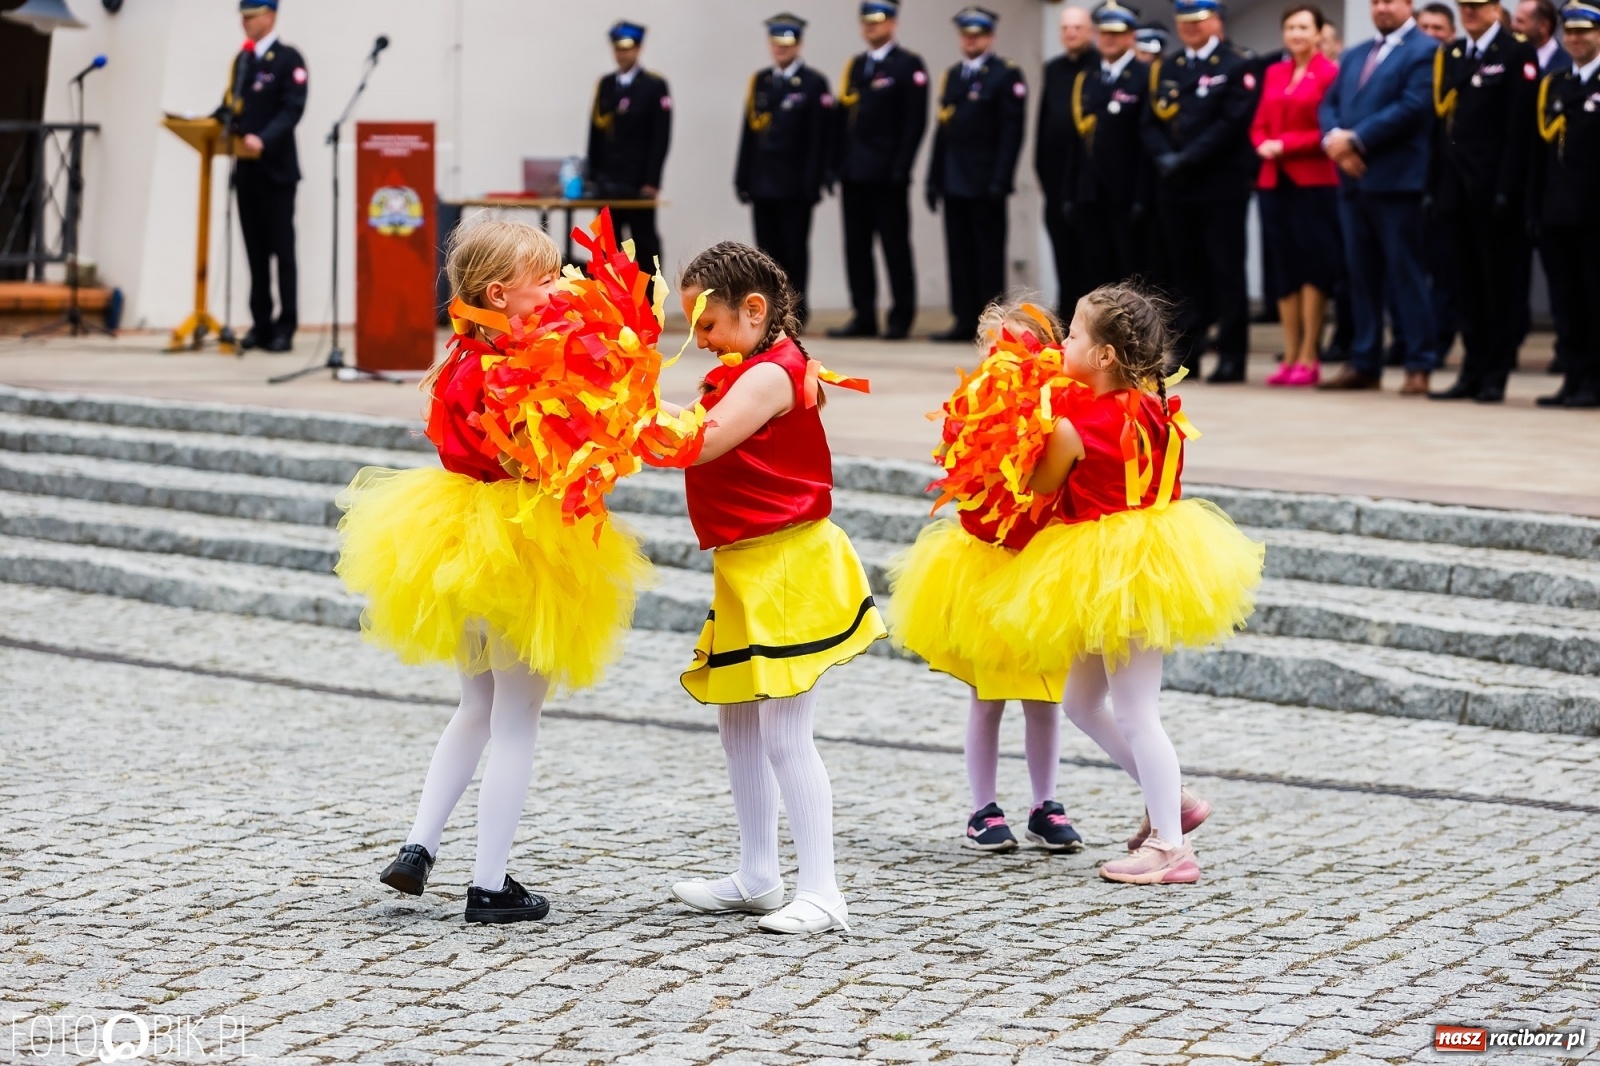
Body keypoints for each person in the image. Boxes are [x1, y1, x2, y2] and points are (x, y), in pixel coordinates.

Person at [345, 219, 657, 924]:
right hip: (522, 544)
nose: (560, 288)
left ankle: (419, 847)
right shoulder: (519, 376)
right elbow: (536, 461)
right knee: (517, 721)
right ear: (499, 293)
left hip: (455, 540)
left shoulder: (458, 362)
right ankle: (489, 885)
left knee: (475, 707)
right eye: (545, 279)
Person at [973, 284, 1260, 885]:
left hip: (1111, 568)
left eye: (1074, 334)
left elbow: (1042, 485)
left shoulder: (1074, 424)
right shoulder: (1160, 409)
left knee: (1136, 712)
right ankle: (1173, 803)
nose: (1064, 342)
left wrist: (1028, 427)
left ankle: (1171, 849)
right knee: (1081, 702)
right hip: (1157, 554)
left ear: (1103, 356)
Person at [656, 243, 885, 936]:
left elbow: (696, 442)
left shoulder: (770, 374)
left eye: (708, 325)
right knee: (739, 723)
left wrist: (620, 405)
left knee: (785, 733)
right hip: (750, 563)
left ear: (754, 310)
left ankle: (823, 890)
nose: (699, 342)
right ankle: (758, 875)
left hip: (787, 562)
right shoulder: (751, 367)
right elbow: (692, 430)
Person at [887, 302, 1083, 855]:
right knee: (987, 693)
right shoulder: (971, 409)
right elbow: (966, 486)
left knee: (1046, 695)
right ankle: (982, 808)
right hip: (985, 562)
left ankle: (1046, 803)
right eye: (1002, 347)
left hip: (1042, 565)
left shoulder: (1065, 408)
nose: (1013, 358)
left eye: (1027, 346)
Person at [1318, 0, 1440, 395]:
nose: (1382, 8)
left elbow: (1413, 107)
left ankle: (1419, 362)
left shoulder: (1425, 50)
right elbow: (1329, 104)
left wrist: (1356, 139)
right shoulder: (1355, 54)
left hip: (1396, 180)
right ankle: (1364, 360)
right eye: (1376, 2)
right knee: (1361, 276)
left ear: (1408, 5)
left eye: (1391, 1)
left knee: (1405, 274)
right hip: (1353, 183)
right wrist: (1335, 140)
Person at [1425, 0, 1539, 404]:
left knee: (1497, 284)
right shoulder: (1453, 53)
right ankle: (1471, 369)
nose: (1469, 13)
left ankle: (1495, 371)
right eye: (1464, 6)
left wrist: (1508, 187)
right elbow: (1442, 126)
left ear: (1495, 9)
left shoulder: (1515, 51)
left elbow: (1518, 127)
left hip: (1492, 191)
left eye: (1476, 6)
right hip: (1455, 190)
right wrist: (1435, 185)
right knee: (1464, 285)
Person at [1140, 0, 1260, 383]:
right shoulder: (1168, 67)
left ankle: (1231, 354)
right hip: (1175, 185)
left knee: (1225, 271)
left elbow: (1231, 122)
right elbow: (1149, 121)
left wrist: (1188, 157)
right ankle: (1187, 355)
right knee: (1183, 274)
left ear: (1216, 20)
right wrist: (1165, 158)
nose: (1190, 27)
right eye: (1184, 21)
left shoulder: (1237, 62)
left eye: (1199, 20)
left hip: (1219, 183)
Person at [1252, 4, 1342, 387]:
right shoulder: (1274, 71)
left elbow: (1328, 127)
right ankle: (1290, 353)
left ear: (1319, 32)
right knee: (1284, 267)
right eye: (1290, 27)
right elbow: (1257, 123)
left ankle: (1310, 352)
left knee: (1313, 266)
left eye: (1304, 27)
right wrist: (1262, 144)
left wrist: (1283, 144)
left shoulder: (1330, 73)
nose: (1297, 34)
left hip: (1314, 179)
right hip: (1274, 179)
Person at [928, 6, 1028, 343]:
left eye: (979, 34)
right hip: (954, 180)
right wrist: (933, 176)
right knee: (959, 254)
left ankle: (992, 324)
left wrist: (1002, 177)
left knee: (987, 255)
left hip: (986, 182)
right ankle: (962, 319)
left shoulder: (1005, 75)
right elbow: (943, 131)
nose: (972, 40)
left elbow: (1010, 133)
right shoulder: (955, 75)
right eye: (967, 34)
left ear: (990, 37)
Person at [831, 0, 929, 340]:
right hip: (855, 173)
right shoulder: (857, 66)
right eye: (866, 21)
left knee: (894, 247)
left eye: (879, 20)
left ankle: (901, 317)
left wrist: (901, 167)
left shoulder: (907, 65)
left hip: (888, 174)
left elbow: (913, 123)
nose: (871, 27)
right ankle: (864, 315)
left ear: (893, 23)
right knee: (856, 248)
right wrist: (837, 165)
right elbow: (843, 120)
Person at [218, 0, 306, 353]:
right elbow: (230, 105)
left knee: (282, 253)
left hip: (277, 172)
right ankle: (261, 323)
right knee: (255, 253)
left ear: (269, 16)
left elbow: (292, 108)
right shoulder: (243, 61)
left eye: (251, 16)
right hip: (247, 172)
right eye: (243, 16)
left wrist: (263, 138)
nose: (245, 22)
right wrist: (205, 122)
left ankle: (286, 326)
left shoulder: (289, 59)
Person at [736, 14, 835, 326]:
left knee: (794, 252)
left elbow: (820, 138)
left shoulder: (812, 83)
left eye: (787, 43)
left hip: (795, 185)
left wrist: (814, 180)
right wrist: (742, 175)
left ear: (798, 44)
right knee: (765, 255)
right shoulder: (761, 82)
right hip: (763, 182)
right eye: (776, 42)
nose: (780, 48)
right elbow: (749, 134)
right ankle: (770, 313)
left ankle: (796, 312)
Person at [1531, 1, 1600, 408]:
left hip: (1594, 214)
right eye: (1569, 33)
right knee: (1565, 300)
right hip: (1558, 212)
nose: (1575, 39)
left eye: (1584, 32)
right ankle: (1573, 377)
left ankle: (1594, 379)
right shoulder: (1554, 84)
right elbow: (1540, 154)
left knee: (1594, 298)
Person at [1075, 2, 1155, 292]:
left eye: (1116, 33)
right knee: (1096, 270)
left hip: (1129, 190)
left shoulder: (1145, 75)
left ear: (1131, 36)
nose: (1108, 39)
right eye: (1104, 32)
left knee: (1132, 272)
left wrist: (1143, 196)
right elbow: (1079, 138)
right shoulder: (1089, 77)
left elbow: (1147, 141)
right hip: (1093, 192)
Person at [1511, 0, 1572, 366]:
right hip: (1521, 187)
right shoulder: (1513, 59)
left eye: (1521, 21)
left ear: (1544, 26)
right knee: (1512, 274)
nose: (1515, 28)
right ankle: (1510, 346)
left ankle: (1570, 354)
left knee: (1567, 278)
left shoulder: (1567, 67)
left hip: (1561, 190)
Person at [586, 21, 672, 275]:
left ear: (638, 48)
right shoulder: (606, 85)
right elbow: (595, 133)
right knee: (607, 245)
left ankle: (649, 308)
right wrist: (592, 177)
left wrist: (652, 181)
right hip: (608, 182)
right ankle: (608, 306)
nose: (622, 54)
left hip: (638, 183)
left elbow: (660, 137)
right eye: (618, 48)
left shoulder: (654, 86)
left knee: (644, 244)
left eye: (628, 48)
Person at [1037, 6, 1100, 314]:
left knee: (1090, 251)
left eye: (1077, 27)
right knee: (1062, 248)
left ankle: (1092, 316)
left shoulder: (1100, 66)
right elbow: (1044, 119)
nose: (1071, 33)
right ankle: (1065, 313)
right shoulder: (1053, 69)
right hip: (1055, 176)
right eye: (1065, 28)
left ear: (1090, 31)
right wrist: (1039, 167)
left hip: (1089, 180)